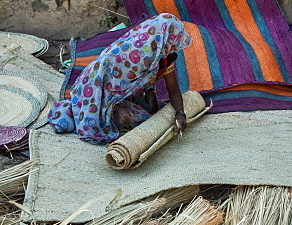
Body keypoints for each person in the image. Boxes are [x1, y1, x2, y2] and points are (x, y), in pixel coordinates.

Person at [47, 13, 192, 144]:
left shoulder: (163, 56)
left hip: (121, 95)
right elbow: (107, 87)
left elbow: (173, 89)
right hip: (95, 94)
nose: (175, 46)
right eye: (173, 41)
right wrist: (117, 109)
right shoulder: (133, 54)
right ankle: (94, 114)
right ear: (163, 38)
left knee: (161, 110)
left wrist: (180, 114)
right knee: (136, 120)